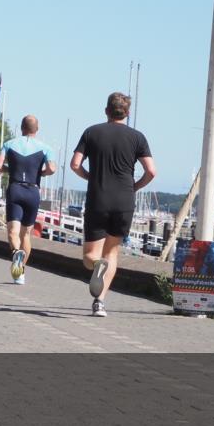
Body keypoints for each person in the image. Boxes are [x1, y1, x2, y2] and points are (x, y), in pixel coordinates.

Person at [70, 92, 156, 317]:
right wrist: (135, 186)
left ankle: (98, 265)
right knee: (113, 252)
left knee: (91, 256)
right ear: (127, 113)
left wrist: (90, 176)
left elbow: (75, 164)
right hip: (124, 201)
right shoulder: (138, 138)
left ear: (106, 110)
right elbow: (151, 171)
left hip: (98, 198)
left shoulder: (91, 132)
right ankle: (100, 303)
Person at [0, 115, 57, 285]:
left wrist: (10, 169)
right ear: (37, 129)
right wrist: (41, 173)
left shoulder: (9, 144)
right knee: (26, 234)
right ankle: (20, 272)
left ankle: (15, 253)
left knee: (13, 231)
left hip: (15, 189)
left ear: (21, 128)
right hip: (33, 191)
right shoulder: (45, 148)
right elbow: (52, 168)